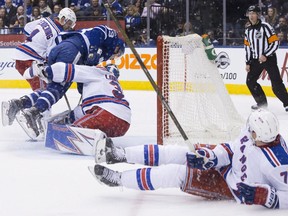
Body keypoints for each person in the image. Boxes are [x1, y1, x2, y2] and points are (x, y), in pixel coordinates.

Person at [91, 109, 288, 209]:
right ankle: (119, 154)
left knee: (176, 173)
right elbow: (233, 148)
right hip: (227, 164)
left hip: (231, 186)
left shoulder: (278, 162)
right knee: (177, 153)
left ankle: (118, 179)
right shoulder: (252, 130)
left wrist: (269, 197)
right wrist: (212, 157)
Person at [2, 25, 125, 135]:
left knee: (50, 89)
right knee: (57, 89)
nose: (115, 57)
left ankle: (18, 104)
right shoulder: (111, 39)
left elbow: (83, 74)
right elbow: (100, 30)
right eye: (118, 54)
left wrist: (83, 92)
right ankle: (34, 112)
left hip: (61, 49)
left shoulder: (100, 55)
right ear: (118, 48)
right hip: (72, 49)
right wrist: (92, 51)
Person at [13, 7, 77, 91]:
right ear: (63, 19)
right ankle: (22, 103)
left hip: (20, 56)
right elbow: (50, 56)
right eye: (69, 23)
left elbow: (27, 28)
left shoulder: (45, 20)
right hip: (30, 60)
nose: (70, 27)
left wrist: (35, 41)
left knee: (40, 88)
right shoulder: (58, 35)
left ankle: (28, 103)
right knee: (44, 90)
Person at [244, 5, 288, 112]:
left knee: (276, 84)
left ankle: (287, 103)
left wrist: (265, 54)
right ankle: (261, 103)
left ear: (258, 15)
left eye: (254, 13)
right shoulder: (248, 30)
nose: (251, 16)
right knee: (250, 82)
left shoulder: (265, 26)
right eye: (250, 14)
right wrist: (248, 62)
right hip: (255, 60)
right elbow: (247, 47)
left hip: (269, 59)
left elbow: (275, 43)